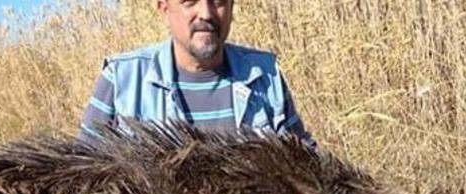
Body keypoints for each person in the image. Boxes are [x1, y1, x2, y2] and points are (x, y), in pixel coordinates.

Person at [78, 0, 315, 148]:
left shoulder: (265, 75)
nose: (207, 13)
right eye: (190, 1)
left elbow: (306, 164)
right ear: (164, 7)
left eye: (219, 1)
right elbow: (81, 176)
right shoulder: (121, 79)